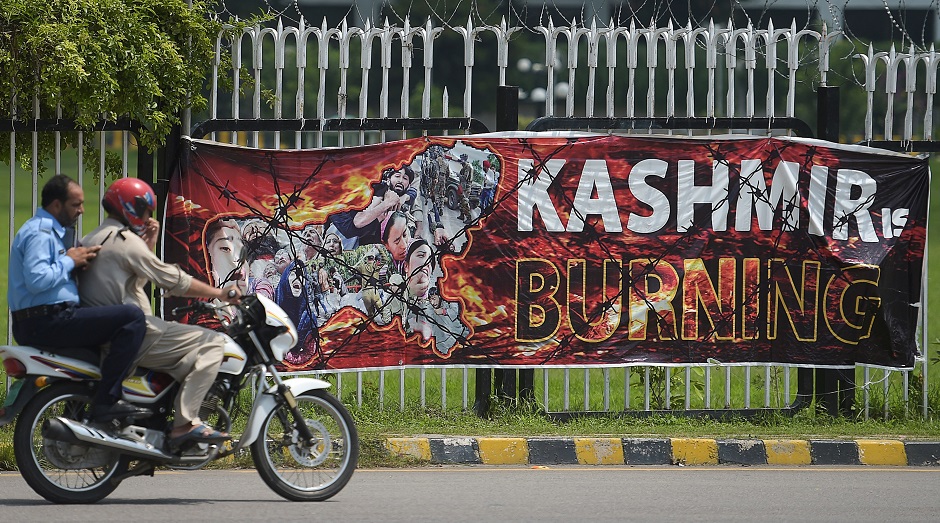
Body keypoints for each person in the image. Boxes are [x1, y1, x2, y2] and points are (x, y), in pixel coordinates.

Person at [78, 177, 242, 448]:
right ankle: (186, 424)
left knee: (188, 349)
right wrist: (219, 293)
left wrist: (149, 244)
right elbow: (171, 279)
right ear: (131, 208)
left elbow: (133, 280)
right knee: (214, 342)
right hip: (138, 332)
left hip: (113, 332)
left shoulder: (95, 236)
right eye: (145, 211)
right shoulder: (126, 241)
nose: (146, 218)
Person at [9, 174, 149, 422]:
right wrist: (69, 261)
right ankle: (106, 403)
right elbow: (37, 280)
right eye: (76, 204)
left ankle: (76, 420)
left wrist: (75, 265)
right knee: (132, 317)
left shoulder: (52, 232)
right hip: (47, 320)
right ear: (56, 205)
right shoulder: (40, 233)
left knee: (94, 359)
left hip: (44, 319)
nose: (82, 210)